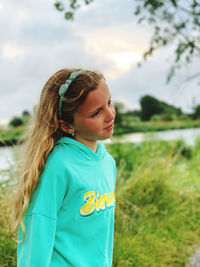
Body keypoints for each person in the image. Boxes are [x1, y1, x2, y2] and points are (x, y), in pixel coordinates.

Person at [10, 68, 117, 267]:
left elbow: (101, 238)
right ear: (67, 126)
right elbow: (37, 234)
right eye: (96, 113)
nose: (110, 115)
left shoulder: (107, 163)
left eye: (109, 102)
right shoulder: (58, 167)